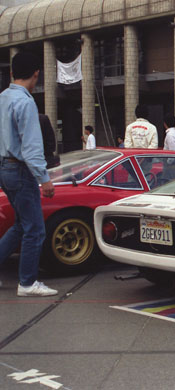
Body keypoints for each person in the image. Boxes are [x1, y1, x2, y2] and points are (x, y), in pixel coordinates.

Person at [0, 51, 57, 297]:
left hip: (4, 168)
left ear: (12, 72)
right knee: (35, 229)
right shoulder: (26, 103)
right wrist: (44, 179)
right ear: (36, 75)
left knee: (22, 225)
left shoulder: (2, 98)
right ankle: (27, 283)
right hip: (20, 170)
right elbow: (32, 147)